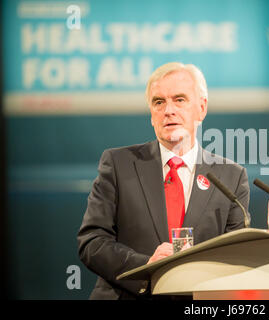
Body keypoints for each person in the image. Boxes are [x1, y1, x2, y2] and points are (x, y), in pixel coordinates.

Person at [77, 62, 250, 300]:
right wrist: (146, 266)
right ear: (151, 114)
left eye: (179, 100)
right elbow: (92, 242)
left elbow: (236, 254)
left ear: (201, 108)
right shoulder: (118, 164)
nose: (168, 110)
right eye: (159, 102)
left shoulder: (231, 176)